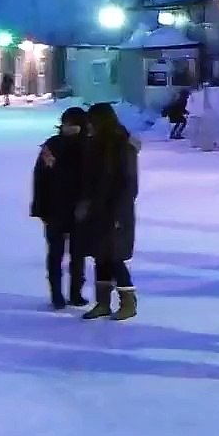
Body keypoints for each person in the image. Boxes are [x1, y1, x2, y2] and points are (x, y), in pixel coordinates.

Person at [79, 102, 141, 321]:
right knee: (100, 256)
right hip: (98, 210)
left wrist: (118, 213)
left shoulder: (122, 146)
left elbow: (128, 183)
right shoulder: (96, 144)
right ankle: (102, 302)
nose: (89, 126)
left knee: (114, 257)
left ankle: (128, 302)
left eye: (92, 121)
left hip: (116, 212)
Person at [30, 107, 90, 310]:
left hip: (81, 208)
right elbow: (40, 178)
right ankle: (56, 293)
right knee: (55, 253)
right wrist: (40, 207)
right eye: (67, 124)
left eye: (74, 124)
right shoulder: (52, 146)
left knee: (78, 253)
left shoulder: (90, 146)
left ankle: (76, 292)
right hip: (54, 207)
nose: (70, 128)